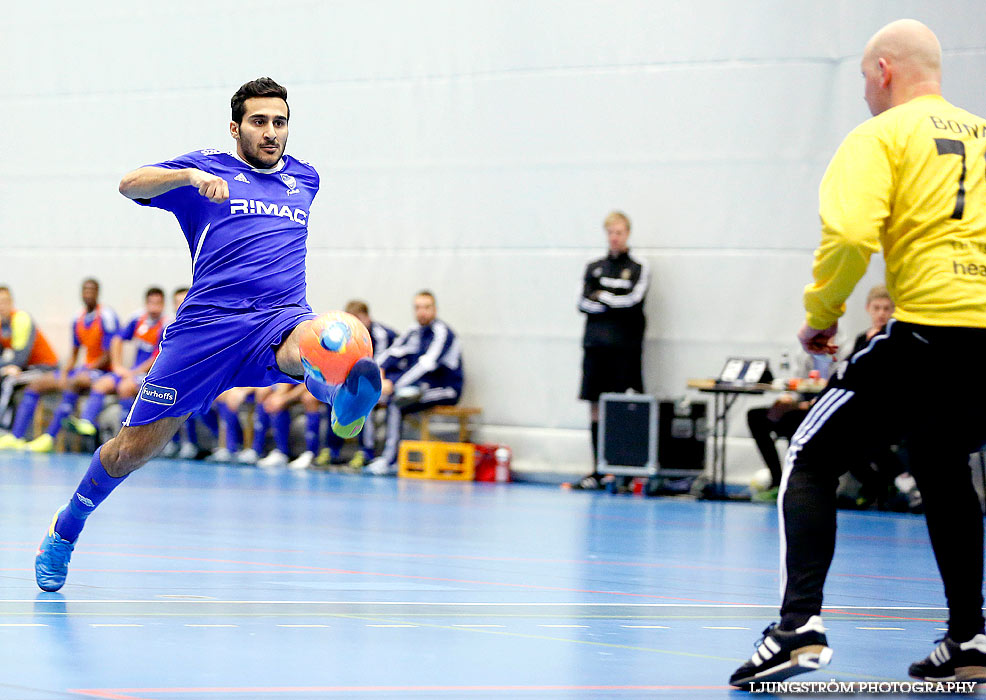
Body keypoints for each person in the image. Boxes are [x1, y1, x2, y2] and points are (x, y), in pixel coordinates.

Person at [33, 77, 382, 593]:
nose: (270, 133)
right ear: (236, 126)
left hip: (278, 319)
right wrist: (188, 178)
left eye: (279, 123)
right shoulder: (208, 169)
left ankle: (336, 394)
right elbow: (129, 184)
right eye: (259, 122)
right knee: (130, 451)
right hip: (206, 331)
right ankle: (66, 528)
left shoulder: (305, 179)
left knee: (341, 333)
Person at [730, 20, 986, 687]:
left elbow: (848, 234)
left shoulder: (881, 135)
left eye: (864, 82)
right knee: (942, 466)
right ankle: (969, 636)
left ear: (881, 71)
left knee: (810, 457)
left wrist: (821, 318)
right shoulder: (984, 137)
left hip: (928, 331)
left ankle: (797, 628)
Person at [569, 211, 649, 490]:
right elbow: (582, 303)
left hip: (625, 348)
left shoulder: (639, 267)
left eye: (620, 232)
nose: (615, 237)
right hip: (596, 347)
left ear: (627, 234)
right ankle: (599, 469)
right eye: (610, 232)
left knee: (624, 405)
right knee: (595, 406)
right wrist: (609, 302)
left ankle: (626, 471)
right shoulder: (593, 267)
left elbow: (632, 302)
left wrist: (602, 297)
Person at [2, 279, 118, 452]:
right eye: (85, 290)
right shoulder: (78, 318)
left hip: (101, 372)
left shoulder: (107, 316)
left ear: (98, 293)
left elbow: (109, 353)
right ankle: (16, 436)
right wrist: (64, 371)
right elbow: (74, 353)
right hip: (83, 369)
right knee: (36, 385)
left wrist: (87, 368)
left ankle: (51, 437)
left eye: (91, 290)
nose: (88, 294)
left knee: (74, 382)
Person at [365, 291, 463, 475]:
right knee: (374, 397)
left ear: (435, 309)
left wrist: (395, 385)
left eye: (426, 307)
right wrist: (378, 374)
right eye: (418, 308)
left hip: (446, 389)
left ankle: (390, 459)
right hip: (420, 387)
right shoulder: (414, 330)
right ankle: (370, 453)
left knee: (396, 401)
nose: (422, 312)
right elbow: (393, 352)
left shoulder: (443, 333)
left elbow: (425, 365)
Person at [63, 287, 167, 440]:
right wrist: (118, 366)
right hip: (132, 372)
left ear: (163, 304)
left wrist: (134, 373)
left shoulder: (166, 325)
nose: (154, 307)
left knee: (125, 387)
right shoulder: (138, 319)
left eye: (158, 303)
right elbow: (117, 339)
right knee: (101, 384)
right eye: (151, 303)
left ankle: (125, 434)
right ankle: (87, 423)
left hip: (149, 375)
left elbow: (157, 357)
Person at [317, 299, 397, 469]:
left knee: (362, 400)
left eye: (359, 319)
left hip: (385, 376)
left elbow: (378, 364)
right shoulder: (345, 335)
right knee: (335, 397)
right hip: (360, 376)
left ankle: (365, 451)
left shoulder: (380, 334)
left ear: (367, 318)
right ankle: (331, 449)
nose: (355, 324)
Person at [0, 286, 59, 431]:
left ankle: (3, 427)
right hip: (27, 368)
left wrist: (6, 367)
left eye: (5, 302)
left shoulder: (21, 320)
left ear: (11, 302)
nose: (1, 306)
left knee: (9, 381)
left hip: (45, 368)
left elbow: (20, 359)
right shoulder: (2, 324)